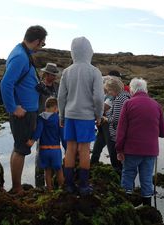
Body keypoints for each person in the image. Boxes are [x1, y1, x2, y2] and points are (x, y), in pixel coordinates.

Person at [0, 25, 47, 194]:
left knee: (19, 147)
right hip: (23, 113)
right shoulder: (20, 56)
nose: (41, 47)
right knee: (20, 149)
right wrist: (13, 108)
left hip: (28, 111)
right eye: (42, 44)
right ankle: (17, 188)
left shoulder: (23, 53)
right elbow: (5, 83)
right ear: (36, 41)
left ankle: (16, 186)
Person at [58, 36, 104, 195]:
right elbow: (98, 97)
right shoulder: (94, 71)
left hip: (70, 115)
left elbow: (61, 97)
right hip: (86, 117)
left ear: (73, 52)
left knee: (70, 149)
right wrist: (98, 115)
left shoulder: (67, 71)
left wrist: (61, 116)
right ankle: (84, 186)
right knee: (84, 150)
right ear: (89, 52)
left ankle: (69, 185)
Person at [116, 78, 164, 206]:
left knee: (128, 175)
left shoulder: (128, 104)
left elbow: (121, 130)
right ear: (146, 90)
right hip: (150, 151)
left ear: (132, 90)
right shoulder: (156, 105)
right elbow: (163, 132)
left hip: (131, 150)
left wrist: (119, 149)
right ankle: (148, 208)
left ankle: (126, 207)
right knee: (146, 179)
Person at [27, 97, 65, 191]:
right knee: (59, 171)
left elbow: (38, 131)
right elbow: (62, 135)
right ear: (56, 108)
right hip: (55, 150)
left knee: (47, 172)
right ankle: (61, 191)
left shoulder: (41, 118)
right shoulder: (58, 118)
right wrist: (67, 148)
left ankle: (49, 191)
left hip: (43, 150)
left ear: (46, 107)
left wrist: (32, 141)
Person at [35, 62, 60, 188]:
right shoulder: (39, 86)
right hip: (43, 119)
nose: (54, 76)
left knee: (55, 147)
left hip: (55, 121)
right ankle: (39, 183)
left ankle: (53, 181)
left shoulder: (57, 86)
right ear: (46, 74)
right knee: (41, 148)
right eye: (52, 74)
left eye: (55, 74)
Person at [102, 78, 131, 174]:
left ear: (113, 89)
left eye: (109, 90)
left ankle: (121, 181)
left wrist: (106, 118)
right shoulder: (127, 96)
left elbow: (116, 119)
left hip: (117, 134)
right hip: (124, 133)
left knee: (117, 162)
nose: (108, 93)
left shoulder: (119, 99)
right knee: (123, 161)